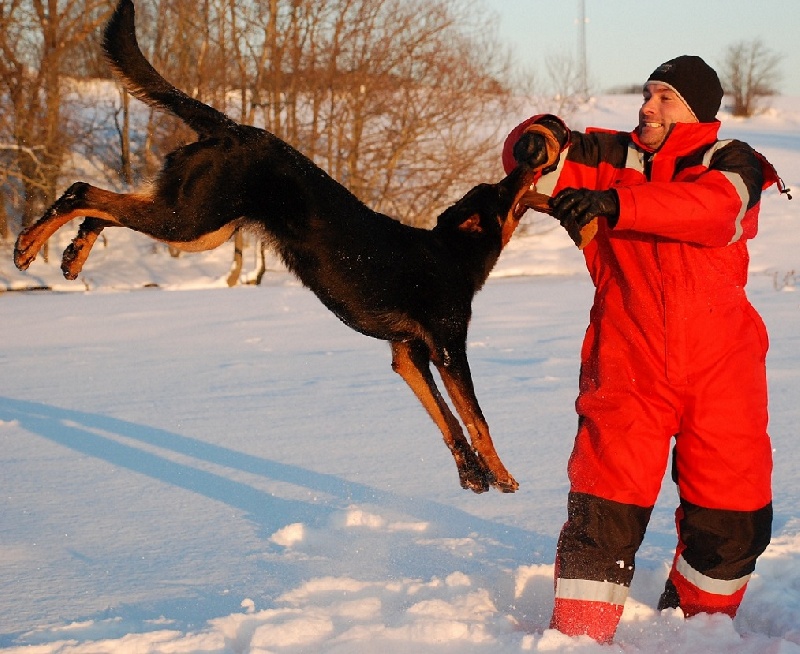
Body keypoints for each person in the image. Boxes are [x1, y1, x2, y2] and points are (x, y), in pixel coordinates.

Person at [503, 55, 790, 643]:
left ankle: (697, 629)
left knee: (734, 520)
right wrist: (539, 134)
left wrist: (619, 204)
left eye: (664, 97)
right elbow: (531, 161)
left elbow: (712, 212)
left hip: (722, 367)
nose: (647, 106)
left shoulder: (733, 162)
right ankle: (579, 638)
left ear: (696, 110)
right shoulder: (608, 156)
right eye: (646, 93)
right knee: (602, 511)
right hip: (627, 359)